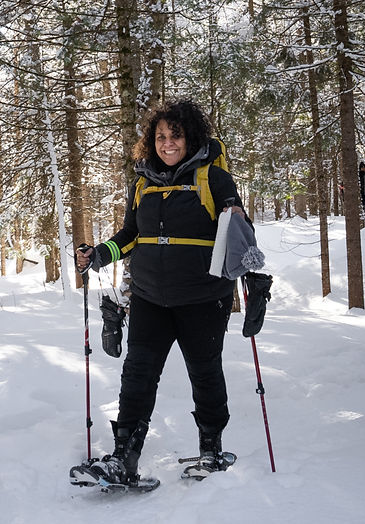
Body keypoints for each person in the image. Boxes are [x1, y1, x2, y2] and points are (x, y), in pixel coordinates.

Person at [70, 99, 247, 489]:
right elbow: (131, 236)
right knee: (138, 374)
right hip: (150, 297)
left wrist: (237, 218)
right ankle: (122, 459)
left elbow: (239, 233)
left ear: (191, 137)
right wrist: (99, 254)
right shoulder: (143, 183)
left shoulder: (213, 179)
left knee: (204, 373)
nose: (167, 143)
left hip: (203, 296)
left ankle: (212, 450)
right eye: (161, 136)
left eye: (175, 135)